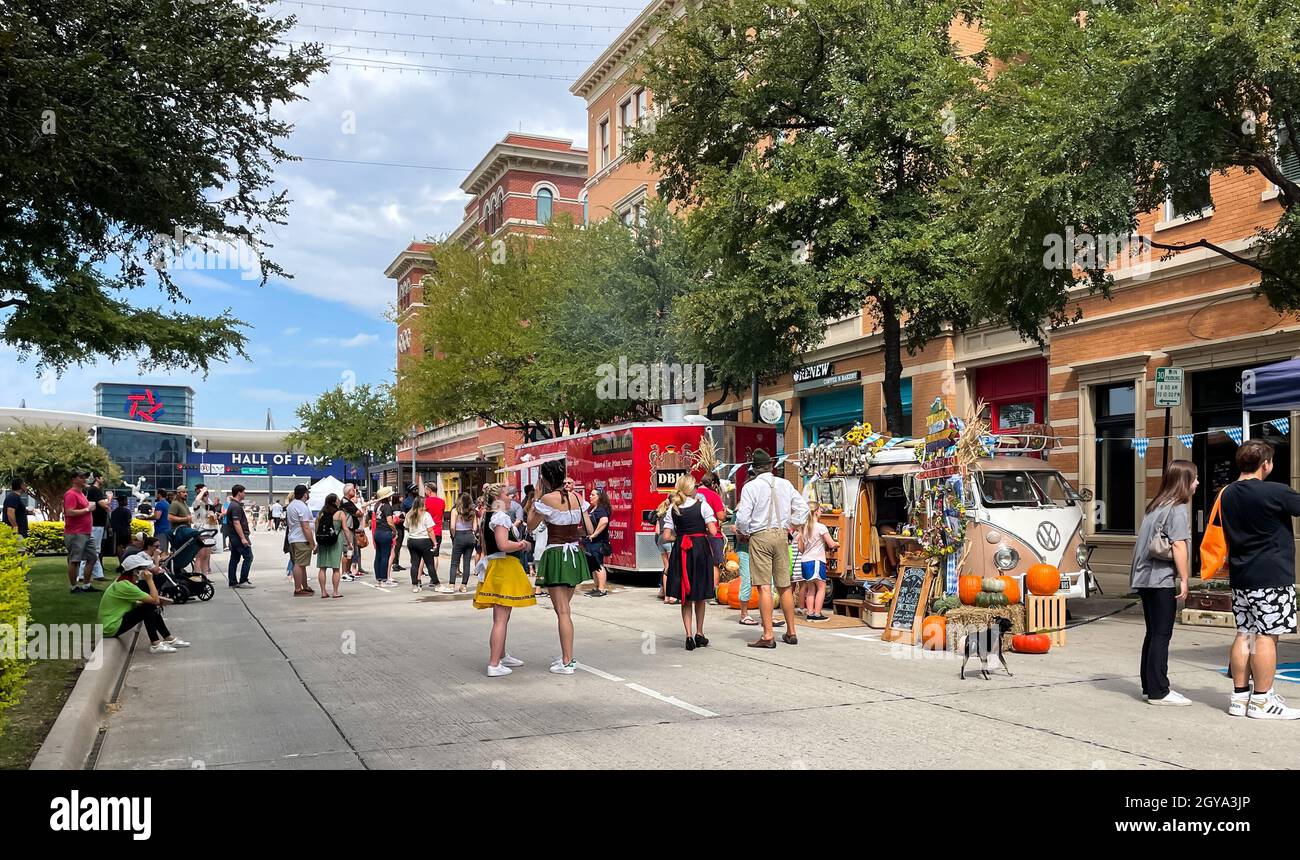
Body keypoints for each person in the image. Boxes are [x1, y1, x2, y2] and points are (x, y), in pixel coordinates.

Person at [1218, 439, 1300, 719]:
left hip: (1242, 576)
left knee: (1246, 633)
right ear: (1266, 464)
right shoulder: (1275, 492)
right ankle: (1262, 700)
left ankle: (1240, 698)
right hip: (1271, 576)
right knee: (1266, 636)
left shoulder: (1226, 494)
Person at [1129, 460, 1196, 706]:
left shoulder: (1155, 507)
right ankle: (1160, 690)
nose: (1197, 483)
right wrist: (1185, 579)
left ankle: (1150, 685)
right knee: (1162, 634)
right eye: (1195, 478)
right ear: (1184, 481)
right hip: (1160, 579)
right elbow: (1179, 545)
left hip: (1144, 577)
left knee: (1153, 633)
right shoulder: (1177, 509)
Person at [735, 449, 809, 648]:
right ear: (770, 467)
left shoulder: (750, 487)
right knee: (784, 585)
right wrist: (792, 525)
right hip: (782, 534)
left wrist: (745, 531)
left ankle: (768, 635)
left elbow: (742, 518)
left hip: (760, 536)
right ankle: (791, 632)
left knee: (764, 586)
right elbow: (803, 509)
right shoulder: (785, 484)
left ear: (755, 469)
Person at [527, 461, 594, 674]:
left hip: (556, 554)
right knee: (563, 609)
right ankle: (567, 656)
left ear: (545, 479)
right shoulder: (577, 497)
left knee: (563, 611)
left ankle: (567, 660)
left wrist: (536, 498)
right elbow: (589, 528)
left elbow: (530, 525)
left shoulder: (546, 499)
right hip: (575, 553)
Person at [476, 484, 537, 676]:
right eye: (507, 495)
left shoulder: (488, 515)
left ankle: (500, 654)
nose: (511, 497)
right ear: (498, 499)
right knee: (501, 619)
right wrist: (522, 544)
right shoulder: (500, 516)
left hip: (496, 565)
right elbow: (503, 544)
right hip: (504, 565)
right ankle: (494, 663)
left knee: (500, 617)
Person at [663, 475, 719, 650]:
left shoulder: (673, 508)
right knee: (699, 594)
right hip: (700, 550)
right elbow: (713, 530)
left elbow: (666, 536)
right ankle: (699, 633)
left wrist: (679, 538)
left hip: (682, 551)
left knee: (685, 596)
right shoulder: (702, 505)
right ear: (692, 488)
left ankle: (688, 636)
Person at [99, 553, 191, 654]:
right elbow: (154, 600)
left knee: (148, 606)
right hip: (111, 627)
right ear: (135, 571)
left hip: (111, 625)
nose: (147, 571)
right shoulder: (125, 586)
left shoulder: (123, 582)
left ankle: (169, 638)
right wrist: (149, 580)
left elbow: (135, 603)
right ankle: (156, 644)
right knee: (149, 606)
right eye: (143, 569)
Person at [797, 505, 838, 622]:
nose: (821, 512)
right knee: (821, 587)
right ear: (815, 512)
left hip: (805, 561)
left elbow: (800, 549)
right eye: (820, 510)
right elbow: (831, 544)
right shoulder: (821, 527)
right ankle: (817, 613)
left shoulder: (803, 528)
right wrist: (836, 544)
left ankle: (810, 613)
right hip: (816, 561)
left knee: (810, 588)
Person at [64, 471, 98, 593]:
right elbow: (69, 512)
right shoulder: (71, 494)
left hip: (86, 532)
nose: (85, 479)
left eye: (85, 477)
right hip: (75, 532)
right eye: (81, 477)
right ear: (74, 479)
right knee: (75, 560)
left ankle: (86, 585)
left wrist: (87, 508)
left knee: (93, 557)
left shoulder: (82, 494)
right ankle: (74, 587)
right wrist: (87, 509)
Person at [697, 472, 727, 592]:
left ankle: (698, 589)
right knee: (714, 564)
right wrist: (724, 513)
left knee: (698, 564)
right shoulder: (714, 495)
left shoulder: (692, 493)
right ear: (713, 483)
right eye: (716, 485)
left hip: (697, 533)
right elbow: (720, 516)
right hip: (713, 533)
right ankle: (713, 592)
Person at [285, 484, 316, 596]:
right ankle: (298, 589)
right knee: (299, 564)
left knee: (301, 564)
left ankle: (304, 586)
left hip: (293, 537)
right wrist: (312, 543)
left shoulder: (292, 505)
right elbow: (305, 527)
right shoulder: (302, 507)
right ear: (305, 494)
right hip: (301, 538)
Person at [404, 496, 440, 594]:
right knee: (430, 564)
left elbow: (406, 527)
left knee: (414, 564)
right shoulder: (426, 515)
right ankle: (437, 584)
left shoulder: (409, 514)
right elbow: (430, 530)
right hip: (424, 541)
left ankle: (415, 585)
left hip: (412, 540)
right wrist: (435, 543)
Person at [79, 473, 110, 583]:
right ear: (97, 478)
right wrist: (109, 499)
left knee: (94, 549)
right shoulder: (95, 491)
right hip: (96, 524)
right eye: (101, 478)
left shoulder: (88, 491)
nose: (103, 480)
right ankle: (82, 574)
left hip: (94, 523)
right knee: (93, 549)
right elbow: (105, 505)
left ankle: (97, 573)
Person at [314, 493, 346, 599]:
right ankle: (335, 592)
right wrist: (350, 543)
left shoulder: (320, 514)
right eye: (337, 499)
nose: (339, 501)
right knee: (336, 568)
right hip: (336, 541)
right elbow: (345, 529)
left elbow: (316, 528)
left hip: (323, 541)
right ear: (334, 502)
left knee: (322, 568)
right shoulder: (340, 513)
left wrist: (318, 542)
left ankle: (323, 592)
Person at [584, 488, 612, 598]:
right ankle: (596, 587)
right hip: (590, 542)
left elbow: (604, 521)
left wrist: (594, 534)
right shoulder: (593, 509)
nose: (590, 496)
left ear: (600, 497)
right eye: (590, 495)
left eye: (593, 495)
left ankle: (601, 589)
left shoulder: (601, 509)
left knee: (598, 564)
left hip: (598, 542)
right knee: (593, 564)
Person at [449, 492, 479, 594]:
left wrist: (454, 536)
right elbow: (475, 527)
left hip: (459, 535)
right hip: (470, 536)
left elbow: (452, 526)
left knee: (454, 562)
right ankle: (464, 586)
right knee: (467, 563)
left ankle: (452, 585)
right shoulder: (472, 511)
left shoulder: (455, 511)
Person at [226, 484, 255, 589]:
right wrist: (243, 538)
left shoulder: (233, 505)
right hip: (238, 538)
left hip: (234, 537)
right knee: (248, 557)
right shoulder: (236, 506)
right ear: (239, 492)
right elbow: (236, 523)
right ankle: (243, 580)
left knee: (234, 559)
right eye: (244, 492)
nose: (245, 494)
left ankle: (232, 581)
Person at [371, 486, 397, 587]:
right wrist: (394, 531)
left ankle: (378, 578)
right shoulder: (387, 506)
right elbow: (390, 522)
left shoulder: (377, 506)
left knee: (378, 555)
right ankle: (384, 579)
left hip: (377, 532)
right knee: (385, 556)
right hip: (385, 532)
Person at [423, 482, 447, 587]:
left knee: (423, 556)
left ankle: (418, 579)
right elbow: (441, 516)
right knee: (435, 555)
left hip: (427, 530)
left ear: (429, 490)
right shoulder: (442, 502)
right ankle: (433, 578)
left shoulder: (426, 501)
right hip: (438, 530)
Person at [151, 489, 172, 553]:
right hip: (167, 529)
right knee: (164, 550)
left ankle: (160, 563)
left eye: (156, 493)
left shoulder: (159, 504)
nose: (155, 495)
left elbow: (157, 517)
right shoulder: (167, 503)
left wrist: (146, 518)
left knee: (159, 551)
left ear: (159, 494)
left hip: (160, 530)